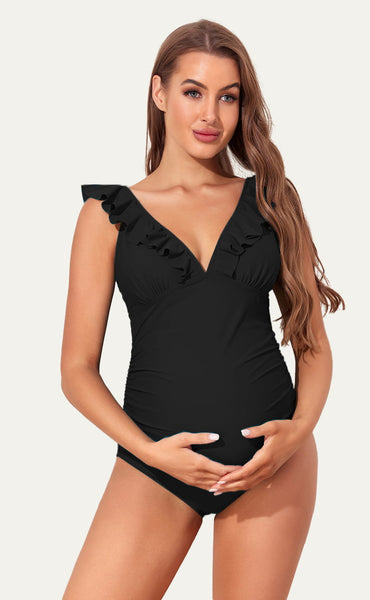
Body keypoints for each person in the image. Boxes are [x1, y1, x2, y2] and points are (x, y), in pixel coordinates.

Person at [60, 18, 345, 600]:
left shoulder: (271, 200)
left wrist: (296, 433)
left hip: (270, 465)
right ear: (160, 93)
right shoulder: (107, 217)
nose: (210, 114)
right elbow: (76, 370)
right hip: (156, 462)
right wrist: (148, 452)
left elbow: (312, 343)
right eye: (193, 91)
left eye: (228, 97)